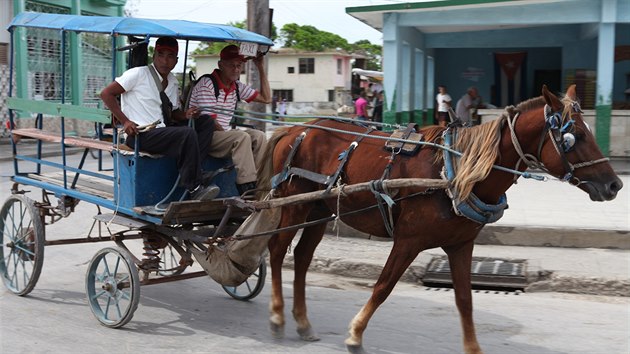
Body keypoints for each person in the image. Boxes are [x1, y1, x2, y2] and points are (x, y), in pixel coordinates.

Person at [100, 36, 219, 201]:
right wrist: (125, 121)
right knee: (187, 133)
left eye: (170, 56)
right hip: (140, 135)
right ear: (154, 55)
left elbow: (173, 112)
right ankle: (195, 187)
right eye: (161, 55)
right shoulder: (138, 74)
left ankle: (197, 171)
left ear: (176, 60)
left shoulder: (172, 81)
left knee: (205, 122)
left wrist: (185, 115)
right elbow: (106, 94)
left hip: (161, 132)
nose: (165, 60)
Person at [189, 44, 271, 195]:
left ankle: (262, 182)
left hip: (224, 136)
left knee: (259, 136)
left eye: (238, 66)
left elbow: (266, 98)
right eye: (231, 65)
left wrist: (260, 67)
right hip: (204, 137)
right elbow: (211, 123)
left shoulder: (237, 86)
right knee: (241, 137)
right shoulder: (207, 84)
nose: (235, 69)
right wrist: (232, 136)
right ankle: (247, 187)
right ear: (220, 65)